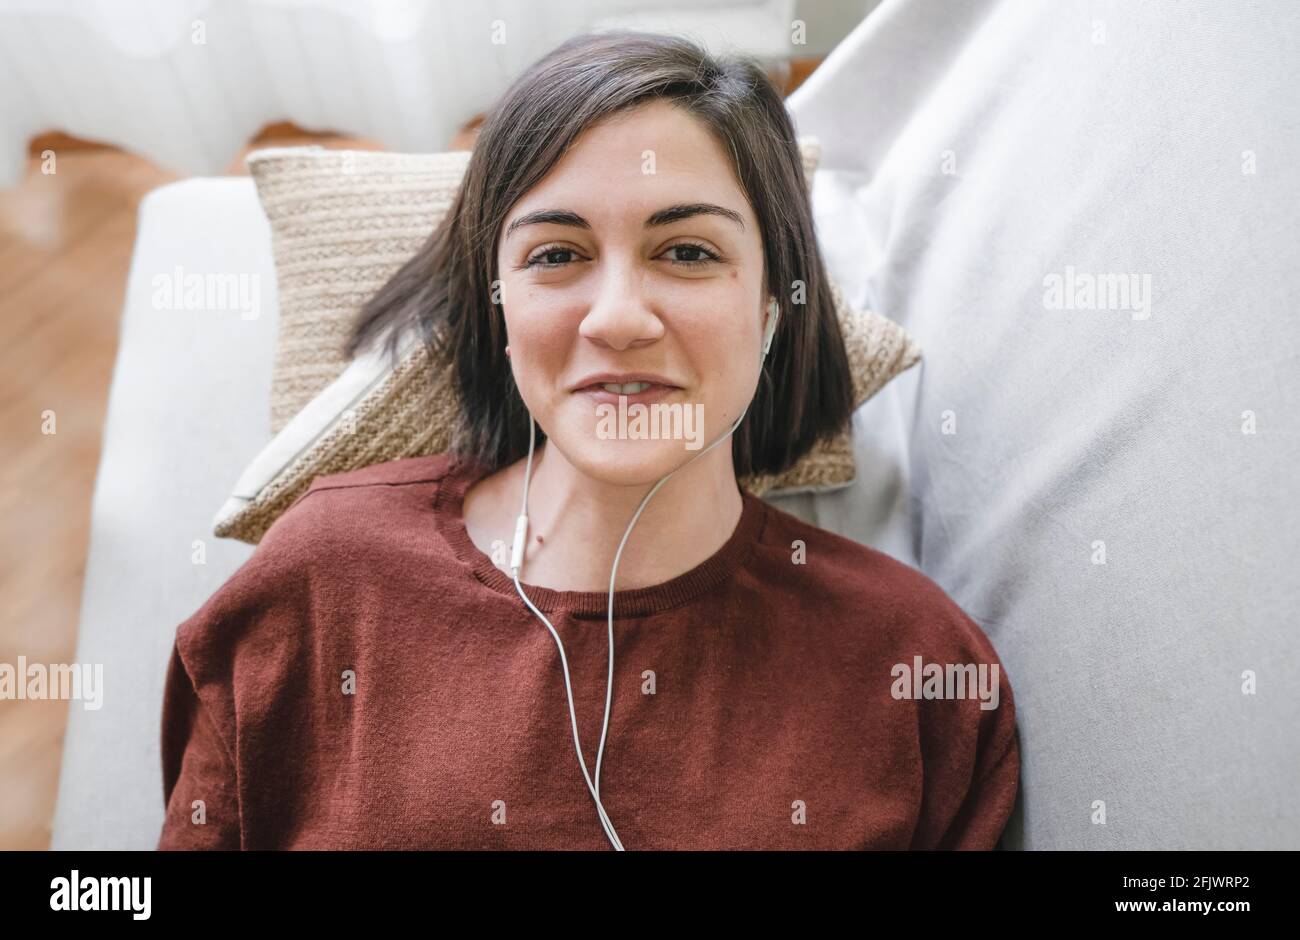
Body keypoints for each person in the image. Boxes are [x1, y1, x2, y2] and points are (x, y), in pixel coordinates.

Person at [157, 30, 1019, 850]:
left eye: (685, 252)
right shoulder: (321, 578)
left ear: (770, 310)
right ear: (498, 309)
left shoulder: (915, 667)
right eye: (556, 255)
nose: (616, 319)